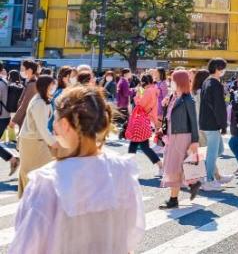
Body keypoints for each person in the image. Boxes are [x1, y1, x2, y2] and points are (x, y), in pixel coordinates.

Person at [11, 85, 145, 253]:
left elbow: (25, 247)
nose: (53, 126)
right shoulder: (122, 170)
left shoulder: (47, 181)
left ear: (66, 124)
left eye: (55, 119)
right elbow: (131, 234)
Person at [159, 70, 202, 208]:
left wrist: (195, 141)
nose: (170, 82)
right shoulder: (173, 97)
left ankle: (174, 199)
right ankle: (192, 184)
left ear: (179, 82)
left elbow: (194, 122)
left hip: (182, 136)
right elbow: (169, 117)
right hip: (173, 135)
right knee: (177, 167)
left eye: (172, 80)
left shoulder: (188, 99)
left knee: (174, 168)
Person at [17, 74, 56, 197]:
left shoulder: (41, 99)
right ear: (46, 86)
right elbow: (42, 127)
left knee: (34, 171)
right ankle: (32, 198)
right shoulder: (40, 102)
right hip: (33, 142)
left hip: (33, 140)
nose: (54, 87)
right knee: (38, 171)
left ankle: (31, 198)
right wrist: (54, 143)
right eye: (52, 85)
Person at [199, 58, 230, 190]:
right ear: (218, 68)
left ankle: (205, 175)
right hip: (212, 123)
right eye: (223, 68)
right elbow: (219, 107)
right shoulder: (215, 84)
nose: (224, 71)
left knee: (218, 150)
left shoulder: (206, 82)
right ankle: (208, 180)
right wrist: (223, 124)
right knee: (212, 152)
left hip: (205, 122)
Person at [126, 74, 162, 175]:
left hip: (143, 120)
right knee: (137, 145)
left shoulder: (149, 91)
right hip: (147, 119)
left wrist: (137, 97)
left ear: (144, 82)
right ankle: (129, 166)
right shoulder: (154, 90)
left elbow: (141, 104)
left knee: (141, 146)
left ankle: (161, 166)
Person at [0, 64, 20, 176]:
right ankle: (13, 160)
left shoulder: (1, 83)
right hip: (4, 116)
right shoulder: (3, 82)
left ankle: (13, 159)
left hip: (1, 117)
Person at [115, 68, 133, 138]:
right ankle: (123, 134)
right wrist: (133, 91)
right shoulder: (124, 81)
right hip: (124, 103)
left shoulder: (121, 80)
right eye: (130, 73)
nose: (131, 74)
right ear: (126, 74)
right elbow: (126, 93)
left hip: (121, 103)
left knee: (124, 119)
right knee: (127, 119)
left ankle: (123, 134)